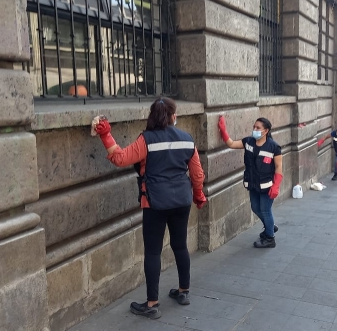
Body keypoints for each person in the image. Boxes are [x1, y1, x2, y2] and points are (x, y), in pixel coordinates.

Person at [93, 97, 207, 319]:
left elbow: (120, 157)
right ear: (173, 116)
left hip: (155, 202)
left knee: (153, 251)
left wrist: (105, 134)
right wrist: (199, 195)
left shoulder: (147, 140)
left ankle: (152, 304)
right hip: (182, 201)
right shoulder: (187, 139)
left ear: (152, 116)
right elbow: (197, 174)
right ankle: (184, 292)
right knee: (180, 246)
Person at [218, 116, 283, 248]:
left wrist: (276, 186)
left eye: (258, 128)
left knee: (265, 210)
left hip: (267, 186)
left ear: (266, 131)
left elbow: (278, 167)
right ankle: (269, 225)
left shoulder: (274, 147)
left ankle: (270, 238)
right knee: (255, 207)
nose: (255, 129)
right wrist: (223, 130)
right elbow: (231, 144)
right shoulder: (248, 142)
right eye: (254, 127)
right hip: (252, 183)